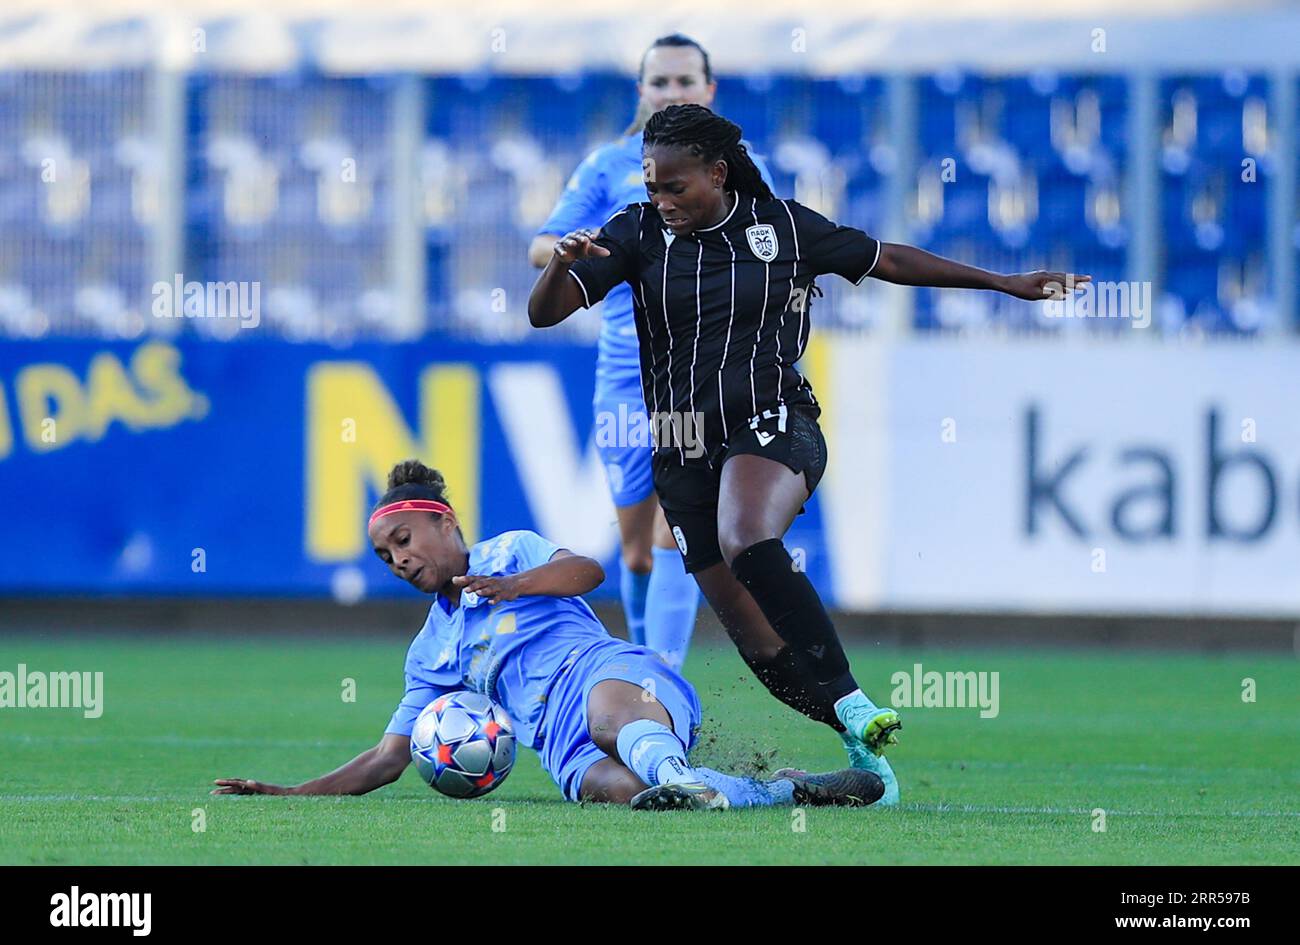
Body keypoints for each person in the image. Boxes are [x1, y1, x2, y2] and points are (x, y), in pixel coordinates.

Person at [527, 103, 1093, 807]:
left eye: (676, 187)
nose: (662, 201)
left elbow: (889, 259)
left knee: (747, 535)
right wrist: (560, 264)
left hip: (774, 422)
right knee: (762, 648)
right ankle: (863, 755)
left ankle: (853, 702)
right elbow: (544, 312)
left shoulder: (783, 228)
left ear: (717, 172)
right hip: (680, 447)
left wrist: (1003, 283)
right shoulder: (636, 233)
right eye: (652, 186)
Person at [212, 459, 885, 811]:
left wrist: (514, 587)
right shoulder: (432, 651)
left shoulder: (513, 552)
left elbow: (590, 570)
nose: (400, 560)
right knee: (624, 795)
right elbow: (389, 757)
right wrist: (294, 793)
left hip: (616, 676)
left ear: (445, 522)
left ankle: (680, 775)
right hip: (557, 743)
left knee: (608, 718)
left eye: (404, 540)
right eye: (386, 557)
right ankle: (783, 790)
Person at [528, 34, 772, 673]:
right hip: (624, 373)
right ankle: (643, 664)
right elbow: (540, 244)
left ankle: (656, 681)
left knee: (676, 531)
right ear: (642, 91)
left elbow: (778, 245)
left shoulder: (744, 172)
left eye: (685, 82)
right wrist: (569, 251)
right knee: (636, 548)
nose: (672, 92)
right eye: (660, 82)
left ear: (708, 91)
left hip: (701, 373)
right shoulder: (608, 166)